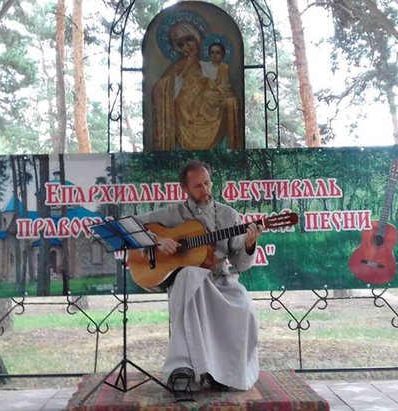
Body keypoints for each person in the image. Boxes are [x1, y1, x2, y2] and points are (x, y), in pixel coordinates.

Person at [133, 160, 262, 398]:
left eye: (207, 183)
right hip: (188, 284)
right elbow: (132, 227)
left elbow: (241, 264)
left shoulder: (229, 215)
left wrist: (249, 244)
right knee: (189, 274)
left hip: (221, 281)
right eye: (198, 186)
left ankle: (224, 373)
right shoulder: (173, 214)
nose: (205, 190)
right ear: (185, 188)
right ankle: (184, 367)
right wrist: (158, 240)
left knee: (244, 305)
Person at [151, 22, 242, 151]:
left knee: (231, 101)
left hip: (210, 111)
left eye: (189, 39)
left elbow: (223, 87)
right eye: (181, 44)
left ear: (197, 37)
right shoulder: (177, 67)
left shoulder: (213, 65)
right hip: (185, 116)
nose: (187, 46)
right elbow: (161, 91)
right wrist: (183, 72)